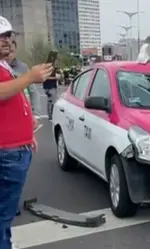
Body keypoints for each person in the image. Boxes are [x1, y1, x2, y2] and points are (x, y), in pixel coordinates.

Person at [0, 15, 53, 249]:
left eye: (8, 36)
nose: (6, 41)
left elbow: (13, 98)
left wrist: (27, 129)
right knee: (2, 217)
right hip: (6, 154)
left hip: (15, 150)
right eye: (0, 37)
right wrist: (30, 77)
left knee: (5, 216)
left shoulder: (6, 66)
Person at [5, 40, 41, 119]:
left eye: (12, 51)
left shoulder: (23, 67)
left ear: (15, 52)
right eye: (6, 51)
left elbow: (33, 91)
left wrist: (35, 114)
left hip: (21, 114)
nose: (8, 55)